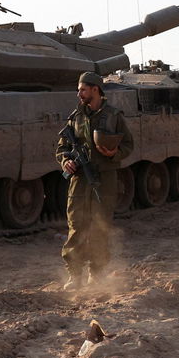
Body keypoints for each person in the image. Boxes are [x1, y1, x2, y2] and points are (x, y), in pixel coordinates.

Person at [56, 71, 134, 290]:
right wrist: (65, 162)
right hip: (80, 180)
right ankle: (74, 276)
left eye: (82, 89)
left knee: (100, 227)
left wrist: (114, 154)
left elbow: (128, 144)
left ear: (95, 90)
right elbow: (61, 147)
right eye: (79, 89)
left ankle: (97, 274)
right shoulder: (75, 117)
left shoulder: (113, 116)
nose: (79, 93)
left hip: (104, 179)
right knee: (76, 226)